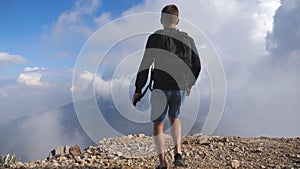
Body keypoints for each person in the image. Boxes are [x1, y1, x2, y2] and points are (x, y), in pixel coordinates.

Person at [132, 4, 201, 169]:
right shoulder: (188, 39)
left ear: (162, 20)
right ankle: (178, 154)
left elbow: (145, 65)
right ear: (177, 20)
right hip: (180, 87)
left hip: (160, 88)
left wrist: (138, 89)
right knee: (175, 118)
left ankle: (162, 163)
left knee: (158, 124)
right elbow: (197, 65)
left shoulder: (155, 38)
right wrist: (189, 83)